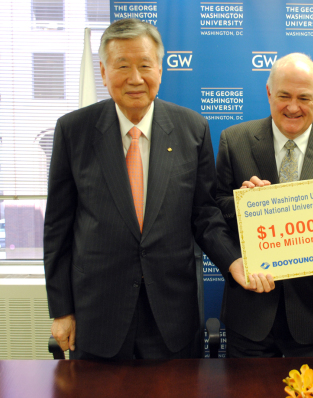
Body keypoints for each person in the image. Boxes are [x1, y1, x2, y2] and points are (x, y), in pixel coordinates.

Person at [43, 18, 273, 360]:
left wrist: (234, 261)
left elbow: (205, 215)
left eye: (145, 66)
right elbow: (58, 227)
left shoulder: (192, 129)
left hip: (171, 316)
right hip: (98, 315)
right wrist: (60, 311)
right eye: (122, 66)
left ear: (161, 71)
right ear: (104, 74)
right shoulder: (73, 131)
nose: (135, 78)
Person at [216, 52, 313, 357]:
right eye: (284, 95)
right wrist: (244, 203)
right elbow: (213, 210)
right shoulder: (234, 141)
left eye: (304, 97)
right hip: (251, 313)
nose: (293, 107)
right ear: (269, 91)